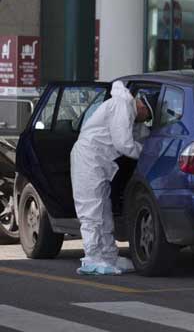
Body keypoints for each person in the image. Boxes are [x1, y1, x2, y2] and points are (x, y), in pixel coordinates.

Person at [70, 81, 152, 275]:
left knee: (103, 212)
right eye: (147, 117)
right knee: (91, 211)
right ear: (142, 107)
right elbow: (124, 144)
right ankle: (92, 259)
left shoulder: (126, 109)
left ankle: (108, 256)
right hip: (89, 160)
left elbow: (139, 134)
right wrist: (148, 153)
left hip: (99, 162)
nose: (144, 121)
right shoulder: (121, 106)